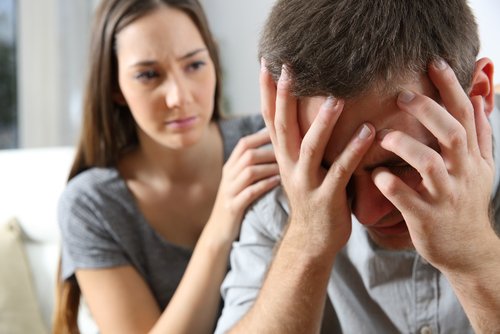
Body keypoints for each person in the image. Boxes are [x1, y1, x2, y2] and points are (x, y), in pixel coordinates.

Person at [215, 0, 500, 333]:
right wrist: (307, 241)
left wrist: (475, 259)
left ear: (478, 94)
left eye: (401, 165)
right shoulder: (283, 199)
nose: (367, 214)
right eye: (331, 169)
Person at [52, 0, 280, 333]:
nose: (179, 96)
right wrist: (221, 224)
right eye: (148, 75)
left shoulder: (268, 140)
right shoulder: (91, 207)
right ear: (115, 86)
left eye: (194, 65)